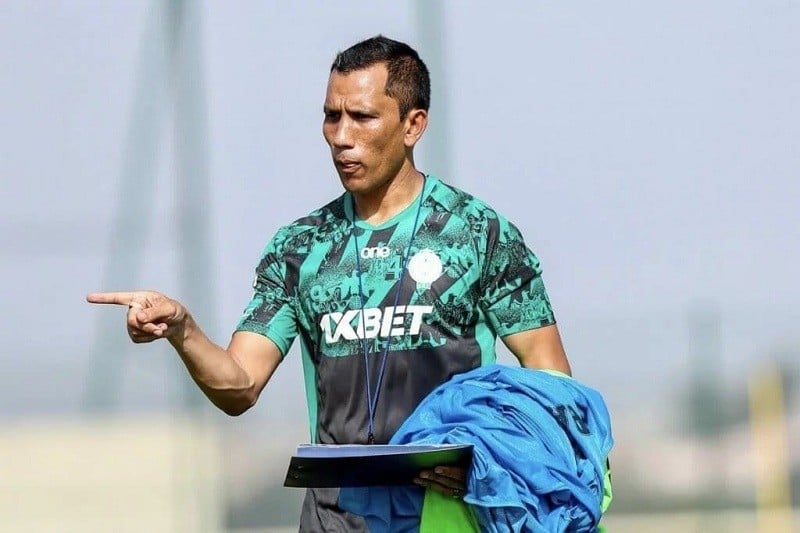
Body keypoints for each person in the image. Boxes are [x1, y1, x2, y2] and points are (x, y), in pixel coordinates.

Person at [87, 35, 572, 531]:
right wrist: (183, 330)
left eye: (362, 117)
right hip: (334, 520)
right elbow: (240, 385)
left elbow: (551, 379)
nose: (341, 136)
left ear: (413, 125)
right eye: (331, 116)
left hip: (448, 515)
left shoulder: (476, 232)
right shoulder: (298, 247)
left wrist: (490, 458)